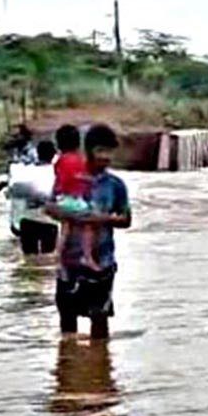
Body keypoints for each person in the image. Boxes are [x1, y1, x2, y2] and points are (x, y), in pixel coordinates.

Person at [53, 124, 130, 339]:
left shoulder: (115, 185)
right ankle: (68, 364)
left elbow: (126, 219)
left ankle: (100, 367)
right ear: (88, 150)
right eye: (101, 151)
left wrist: (100, 219)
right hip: (70, 262)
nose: (106, 157)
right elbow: (50, 206)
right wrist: (70, 215)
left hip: (102, 262)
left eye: (109, 152)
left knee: (100, 320)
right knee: (67, 322)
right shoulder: (72, 177)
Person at [52, 124, 100, 270]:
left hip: (62, 200)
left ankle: (57, 253)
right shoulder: (79, 160)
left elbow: (59, 180)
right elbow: (82, 179)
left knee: (65, 226)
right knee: (89, 224)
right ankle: (87, 256)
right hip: (74, 200)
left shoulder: (59, 160)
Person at [12, 139, 59, 255]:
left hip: (28, 220)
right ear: (54, 155)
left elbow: (14, 192)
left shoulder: (26, 171)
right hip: (49, 221)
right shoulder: (57, 173)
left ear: (37, 153)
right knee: (48, 259)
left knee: (28, 258)